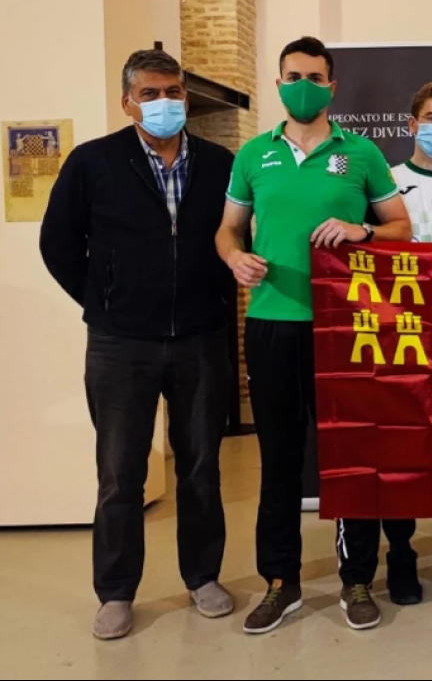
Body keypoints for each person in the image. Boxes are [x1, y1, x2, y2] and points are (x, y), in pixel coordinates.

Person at [216, 36, 412, 634]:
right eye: (293, 75)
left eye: (316, 76)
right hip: (272, 324)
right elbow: (227, 231)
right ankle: (282, 582)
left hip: (346, 325)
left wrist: (361, 231)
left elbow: (403, 228)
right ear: (278, 83)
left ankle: (357, 580)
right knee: (277, 459)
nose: (304, 84)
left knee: (348, 457)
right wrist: (234, 260)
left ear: (333, 86)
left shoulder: (362, 154)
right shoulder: (253, 155)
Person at [40, 49, 236, 641]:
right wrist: (104, 301)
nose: (165, 103)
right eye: (150, 94)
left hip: (202, 337)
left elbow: (240, 234)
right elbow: (58, 244)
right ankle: (117, 592)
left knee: (201, 466)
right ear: (127, 102)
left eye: (174, 91)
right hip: (120, 344)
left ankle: (203, 576)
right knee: (120, 472)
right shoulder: (92, 162)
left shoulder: (221, 162)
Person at [330, 80, 432, 630]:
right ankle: (401, 555)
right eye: (431, 117)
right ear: (410, 124)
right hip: (395, 336)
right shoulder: (385, 183)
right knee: (398, 448)